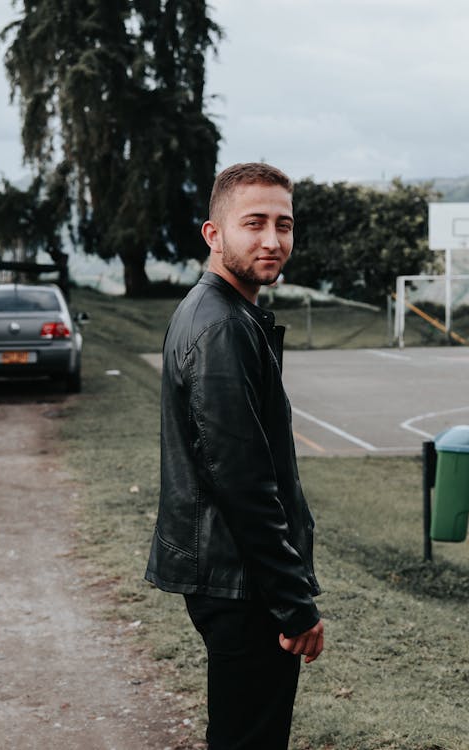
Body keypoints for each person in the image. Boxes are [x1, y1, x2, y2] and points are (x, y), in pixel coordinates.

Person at [145, 162, 323, 749]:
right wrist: (294, 604)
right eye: (254, 223)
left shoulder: (226, 313)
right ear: (213, 234)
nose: (273, 241)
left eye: (284, 224)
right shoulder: (220, 325)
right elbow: (242, 483)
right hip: (241, 582)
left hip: (232, 574)